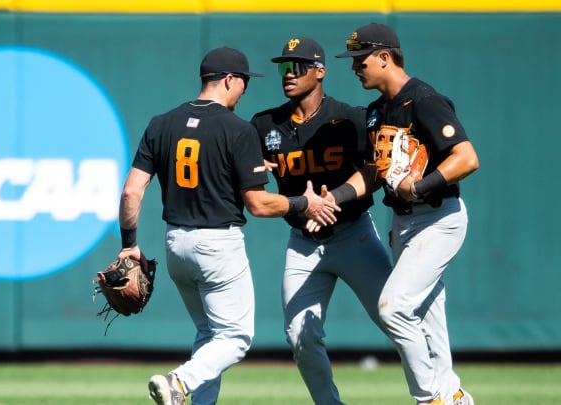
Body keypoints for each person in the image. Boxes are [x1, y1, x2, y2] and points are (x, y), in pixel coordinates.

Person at [117, 46, 338, 405]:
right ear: (230, 80)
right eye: (244, 83)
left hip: (175, 245)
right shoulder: (236, 129)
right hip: (217, 245)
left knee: (209, 333)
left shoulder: (161, 123)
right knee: (235, 337)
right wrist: (304, 203)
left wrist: (129, 244)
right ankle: (179, 382)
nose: (244, 90)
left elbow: (131, 192)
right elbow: (259, 205)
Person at [335, 23, 479, 405]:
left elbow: (467, 158)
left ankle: (429, 398)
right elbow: (372, 173)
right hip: (404, 223)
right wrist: (335, 198)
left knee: (394, 307)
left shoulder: (424, 99)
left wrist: (420, 186)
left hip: (438, 217)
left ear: (385, 57)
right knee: (428, 316)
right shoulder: (375, 111)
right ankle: (454, 397)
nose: (354, 68)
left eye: (360, 59)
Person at [249, 37, 393, 404]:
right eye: (284, 67)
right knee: (300, 335)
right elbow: (248, 184)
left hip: (354, 234)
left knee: (397, 318)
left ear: (320, 71)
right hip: (302, 243)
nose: (289, 74)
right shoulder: (265, 124)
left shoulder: (351, 118)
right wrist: (250, 171)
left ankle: (439, 392)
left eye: (298, 66)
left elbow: (375, 172)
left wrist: (335, 199)